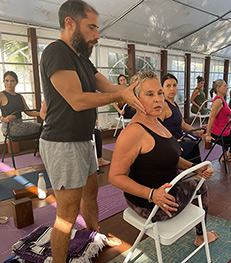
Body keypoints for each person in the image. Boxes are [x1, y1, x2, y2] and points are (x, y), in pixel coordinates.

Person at [39, 1, 145, 261]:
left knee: (90, 194)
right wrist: (119, 95)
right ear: (70, 23)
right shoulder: (56, 51)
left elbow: (109, 88)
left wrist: (138, 93)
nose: (97, 35)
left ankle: (92, 235)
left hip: (84, 139)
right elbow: (77, 99)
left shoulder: (82, 59)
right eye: (92, 27)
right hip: (62, 142)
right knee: (66, 213)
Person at [108, 71, 218, 247]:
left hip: (164, 192)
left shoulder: (157, 122)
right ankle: (201, 236)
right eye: (149, 94)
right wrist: (152, 194)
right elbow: (114, 176)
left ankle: (200, 234)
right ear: (135, 99)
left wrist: (195, 167)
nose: (158, 99)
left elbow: (172, 157)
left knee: (198, 179)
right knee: (201, 185)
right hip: (149, 204)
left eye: (159, 93)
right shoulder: (133, 132)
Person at [159, 73, 204, 163]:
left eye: (174, 85)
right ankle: (197, 172)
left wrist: (198, 132)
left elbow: (182, 124)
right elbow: (157, 128)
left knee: (193, 146)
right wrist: (171, 141)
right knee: (193, 146)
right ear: (162, 88)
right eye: (168, 86)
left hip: (180, 140)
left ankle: (195, 172)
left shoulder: (175, 104)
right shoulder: (163, 105)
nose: (172, 89)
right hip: (171, 145)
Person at [205, 79, 231, 162]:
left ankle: (225, 156)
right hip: (219, 134)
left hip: (222, 131)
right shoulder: (218, 101)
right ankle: (228, 156)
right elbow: (211, 117)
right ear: (218, 88)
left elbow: (225, 118)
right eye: (225, 86)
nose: (227, 88)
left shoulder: (222, 100)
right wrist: (208, 134)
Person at [0, 71, 41, 138]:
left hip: (20, 124)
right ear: (4, 82)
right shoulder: (1, 95)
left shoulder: (20, 96)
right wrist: (3, 119)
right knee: (43, 128)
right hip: (9, 127)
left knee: (43, 127)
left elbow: (29, 112)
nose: (9, 83)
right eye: (7, 81)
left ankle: (38, 146)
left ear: (16, 82)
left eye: (12, 81)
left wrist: (42, 113)